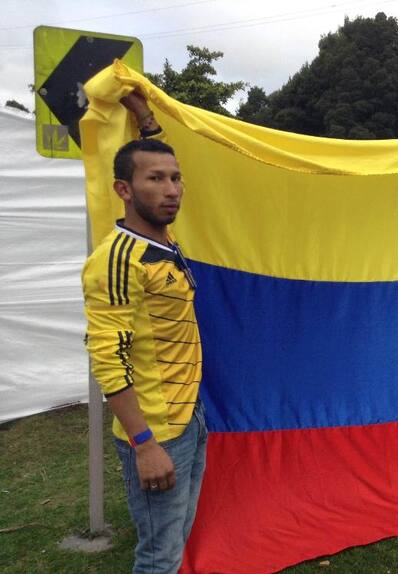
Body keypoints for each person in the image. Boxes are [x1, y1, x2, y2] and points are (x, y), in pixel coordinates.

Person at [82, 93, 207, 572]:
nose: (171, 189)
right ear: (124, 190)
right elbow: (107, 358)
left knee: (177, 538)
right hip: (156, 432)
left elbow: (156, 158)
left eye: (175, 178)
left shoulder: (164, 238)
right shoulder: (116, 259)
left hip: (190, 417)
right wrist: (145, 445)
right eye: (155, 179)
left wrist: (146, 118)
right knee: (159, 556)